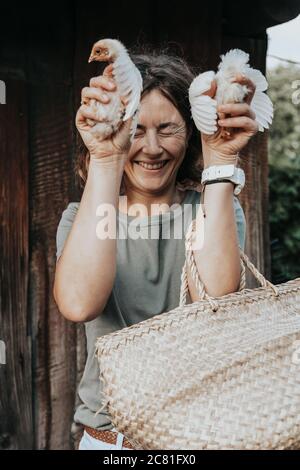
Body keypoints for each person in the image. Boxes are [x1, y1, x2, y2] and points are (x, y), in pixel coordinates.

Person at [53, 48, 258, 450]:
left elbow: (214, 302)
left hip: (200, 436)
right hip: (111, 439)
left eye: (167, 128)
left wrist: (220, 160)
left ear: (191, 130)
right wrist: (107, 156)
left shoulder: (213, 208)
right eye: (136, 130)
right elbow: (79, 304)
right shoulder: (83, 217)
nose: (150, 147)